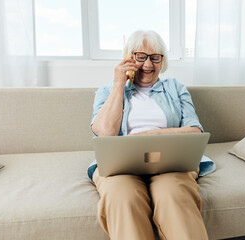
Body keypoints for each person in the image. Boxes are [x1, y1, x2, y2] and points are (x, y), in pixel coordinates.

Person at [87, 30, 214, 240]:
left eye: (155, 58)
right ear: (129, 57)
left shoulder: (175, 88)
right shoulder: (107, 90)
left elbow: (195, 130)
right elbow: (105, 133)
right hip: (120, 168)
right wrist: (119, 84)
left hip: (170, 164)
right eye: (141, 57)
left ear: (162, 61)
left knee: (173, 194)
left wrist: (154, 134)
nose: (148, 65)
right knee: (122, 197)